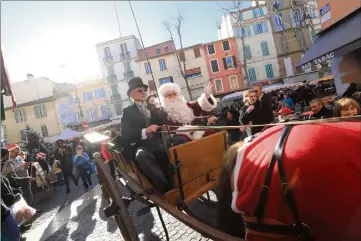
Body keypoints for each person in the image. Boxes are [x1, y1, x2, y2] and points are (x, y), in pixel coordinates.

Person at [216, 121, 361, 241]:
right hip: (263, 132)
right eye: (251, 96)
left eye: (254, 95)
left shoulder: (263, 101)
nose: (252, 97)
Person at [120, 77, 171, 192]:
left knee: (178, 142)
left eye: (144, 90)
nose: (143, 92)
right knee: (142, 156)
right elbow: (125, 134)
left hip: (158, 141)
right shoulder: (127, 111)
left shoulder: (152, 106)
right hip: (141, 145)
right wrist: (145, 130)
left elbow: (160, 121)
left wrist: (164, 123)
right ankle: (165, 189)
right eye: (139, 90)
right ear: (131, 95)